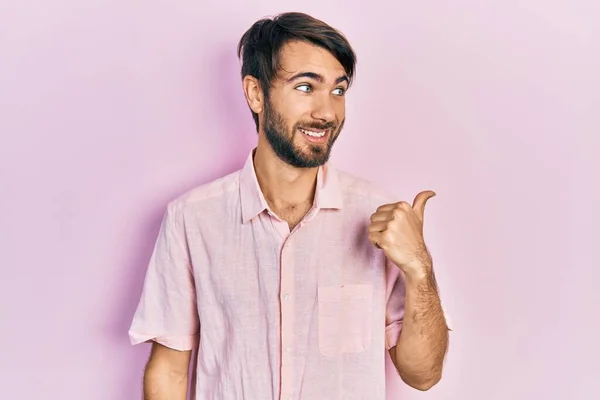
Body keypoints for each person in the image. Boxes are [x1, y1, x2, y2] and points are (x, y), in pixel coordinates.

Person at [129, 11, 450, 400]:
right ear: (255, 93)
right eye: (305, 87)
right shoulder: (192, 219)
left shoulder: (379, 214)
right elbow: (169, 372)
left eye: (338, 90)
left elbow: (423, 375)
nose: (327, 112)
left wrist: (420, 267)